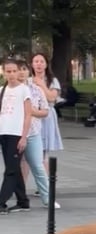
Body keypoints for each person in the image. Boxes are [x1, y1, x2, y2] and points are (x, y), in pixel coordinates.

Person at [18, 60, 61, 209]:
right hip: (13, 132)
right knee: (14, 167)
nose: (21, 72)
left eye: (24, 69)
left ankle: (47, 198)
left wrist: (32, 112)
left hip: (33, 132)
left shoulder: (36, 89)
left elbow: (45, 110)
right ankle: (19, 197)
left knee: (38, 165)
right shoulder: (6, 90)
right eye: (18, 70)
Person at [0, 59, 32, 215]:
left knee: (10, 171)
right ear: (3, 72)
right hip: (3, 132)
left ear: (19, 71)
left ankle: (1, 202)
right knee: (13, 168)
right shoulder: (2, 90)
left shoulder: (24, 90)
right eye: (8, 71)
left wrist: (24, 137)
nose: (11, 74)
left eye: (14, 71)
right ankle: (23, 201)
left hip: (16, 134)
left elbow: (28, 115)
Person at [31, 53, 64, 173]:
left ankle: (45, 184)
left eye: (41, 61)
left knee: (42, 151)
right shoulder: (28, 80)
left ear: (46, 64)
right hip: (32, 115)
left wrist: (42, 85)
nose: (38, 64)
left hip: (46, 115)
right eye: (36, 61)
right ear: (32, 64)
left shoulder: (52, 80)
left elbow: (51, 98)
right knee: (33, 153)